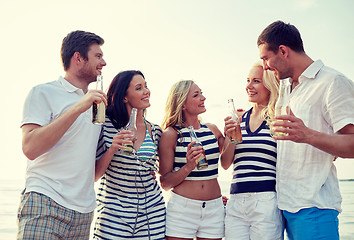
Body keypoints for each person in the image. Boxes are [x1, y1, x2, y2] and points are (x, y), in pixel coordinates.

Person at [257, 20, 354, 240]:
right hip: (285, 207)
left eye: (265, 58)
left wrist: (308, 135)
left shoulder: (332, 81)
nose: (264, 67)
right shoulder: (290, 89)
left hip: (315, 208)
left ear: (283, 51)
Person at [17, 30, 107, 239]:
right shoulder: (43, 92)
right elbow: (30, 148)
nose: (104, 62)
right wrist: (78, 107)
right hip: (44, 203)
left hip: (84, 213)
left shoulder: (98, 105)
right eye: (98, 56)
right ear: (78, 58)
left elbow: (89, 170)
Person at [93, 70, 166, 239]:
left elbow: (165, 172)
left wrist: (211, 198)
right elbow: (95, 175)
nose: (146, 91)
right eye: (139, 88)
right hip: (114, 214)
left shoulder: (155, 130)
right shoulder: (104, 126)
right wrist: (112, 149)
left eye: (146, 86)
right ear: (124, 97)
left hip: (152, 214)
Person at [221, 62, 284, 240]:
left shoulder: (277, 118)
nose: (249, 86)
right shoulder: (238, 118)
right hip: (236, 201)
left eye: (256, 81)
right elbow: (225, 164)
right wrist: (230, 134)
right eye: (248, 80)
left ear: (270, 85)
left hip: (266, 200)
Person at [159, 80, 225, 240]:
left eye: (201, 93)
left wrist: (234, 129)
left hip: (214, 208)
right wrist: (188, 166)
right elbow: (165, 183)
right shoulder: (171, 134)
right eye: (196, 95)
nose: (203, 98)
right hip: (182, 210)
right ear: (182, 105)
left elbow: (228, 160)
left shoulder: (212, 130)